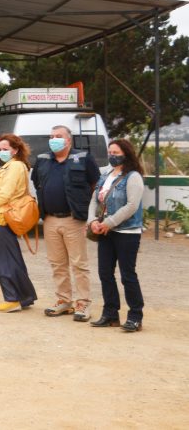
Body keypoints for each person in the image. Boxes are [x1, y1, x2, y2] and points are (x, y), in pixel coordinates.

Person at [32, 125, 101, 322]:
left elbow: (94, 184)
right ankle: (64, 300)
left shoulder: (83, 158)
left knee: (79, 264)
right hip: (50, 219)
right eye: (51, 136)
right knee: (57, 263)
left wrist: (89, 214)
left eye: (59, 136)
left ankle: (83, 303)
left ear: (69, 141)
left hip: (74, 219)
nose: (54, 139)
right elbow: (37, 183)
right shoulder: (43, 160)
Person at [88, 139, 145, 332]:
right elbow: (94, 200)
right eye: (110, 152)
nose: (112, 155)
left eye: (116, 152)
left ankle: (135, 316)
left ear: (126, 154)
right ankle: (110, 314)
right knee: (105, 273)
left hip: (126, 232)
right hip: (105, 231)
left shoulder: (133, 177)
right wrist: (92, 221)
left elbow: (132, 206)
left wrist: (109, 223)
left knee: (127, 275)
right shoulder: (106, 175)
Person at [0, 134, 37, 312]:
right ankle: (24, 296)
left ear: (16, 149)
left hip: (3, 217)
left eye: (6, 149)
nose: (2, 152)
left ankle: (12, 298)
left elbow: (6, 193)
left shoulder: (15, 167)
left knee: (1, 258)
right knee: (10, 257)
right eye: (0, 149)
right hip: (0, 216)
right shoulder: (10, 166)